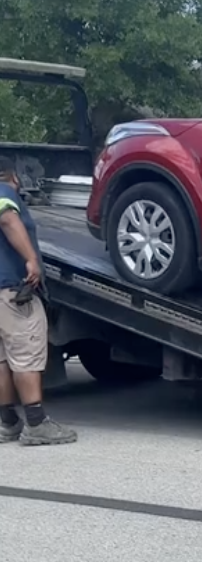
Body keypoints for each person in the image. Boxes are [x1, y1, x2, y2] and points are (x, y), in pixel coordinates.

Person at [0, 156, 77, 445]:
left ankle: (7, 422)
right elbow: (6, 218)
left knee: (3, 359)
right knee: (25, 355)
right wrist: (31, 258)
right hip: (12, 291)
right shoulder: (4, 192)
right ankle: (35, 423)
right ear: (15, 178)